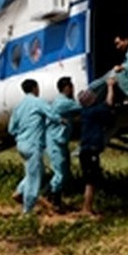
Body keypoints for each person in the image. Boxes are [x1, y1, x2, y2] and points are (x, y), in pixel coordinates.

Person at [7, 78, 53, 216]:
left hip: (21, 144)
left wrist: (21, 134)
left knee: (33, 171)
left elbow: (11, 129)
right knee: (35, 178)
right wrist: (61, 120)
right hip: (34, 144)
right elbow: (52, 114)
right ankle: (27, 210)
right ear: (34, 88)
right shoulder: (38, 102)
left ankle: (20, 190)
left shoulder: (19, 106)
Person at [78, 79, 116, 217]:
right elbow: (109, 104)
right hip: (91, 151)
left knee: (90, 180)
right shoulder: (94, 112)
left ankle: (87, 208)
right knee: (91, 181)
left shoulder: (86, 112)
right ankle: (86, 209)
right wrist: (110, 87)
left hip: (86, 151)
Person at [46, 77, 81, 212]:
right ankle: (55, 201)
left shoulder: (61, 102)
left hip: (59, 141)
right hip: (56, 142)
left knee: (64, 173)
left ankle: (49, 195)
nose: (73, 89)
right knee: (60, 174)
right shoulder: (64, 103)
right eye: (71, 87)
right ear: (66, 88)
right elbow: (82, 107)